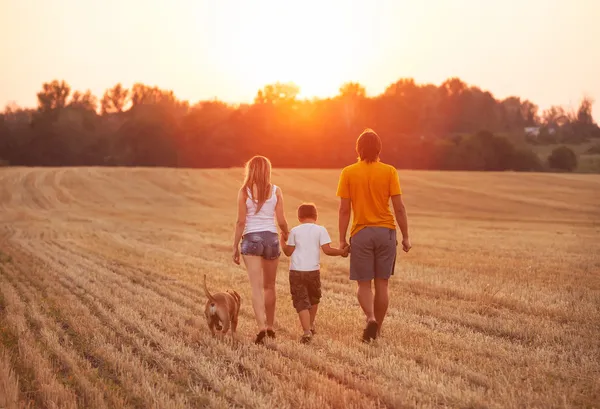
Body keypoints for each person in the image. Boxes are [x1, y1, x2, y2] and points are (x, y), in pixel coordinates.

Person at [336, 129, 411, 343]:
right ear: (379, 149)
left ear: (358, 149)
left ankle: (370, 318)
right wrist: (406, 236)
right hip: (386, 232)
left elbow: (344, 210)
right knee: (382, 284)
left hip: (361, 233)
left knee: (363, 284)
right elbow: (399, 208)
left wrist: (342, 240)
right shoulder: (389, 171)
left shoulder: (348, 172)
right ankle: (377, 331)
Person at [232, 155, 289, 344]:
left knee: (256, 287)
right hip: (271, 238)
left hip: (251, 239)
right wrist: (286, 233)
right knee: (270, 286)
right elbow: (281, 220)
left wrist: (234, 246)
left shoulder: (244, 191)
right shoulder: (276, 190)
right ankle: (271, 327)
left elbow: (241, 222)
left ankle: (262, 329)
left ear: (251, 170)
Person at [281, 203, 349, 343]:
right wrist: (342, 251)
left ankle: (306, 332)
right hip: (313, 271)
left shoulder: (295, 231)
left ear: (299, 217)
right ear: (316, 216)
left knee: (301, 301)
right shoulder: (320, 230)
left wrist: (282, 241)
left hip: (296, 271)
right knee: (314, 299)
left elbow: (288, 252)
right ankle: (310, 325)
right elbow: (328, 250)